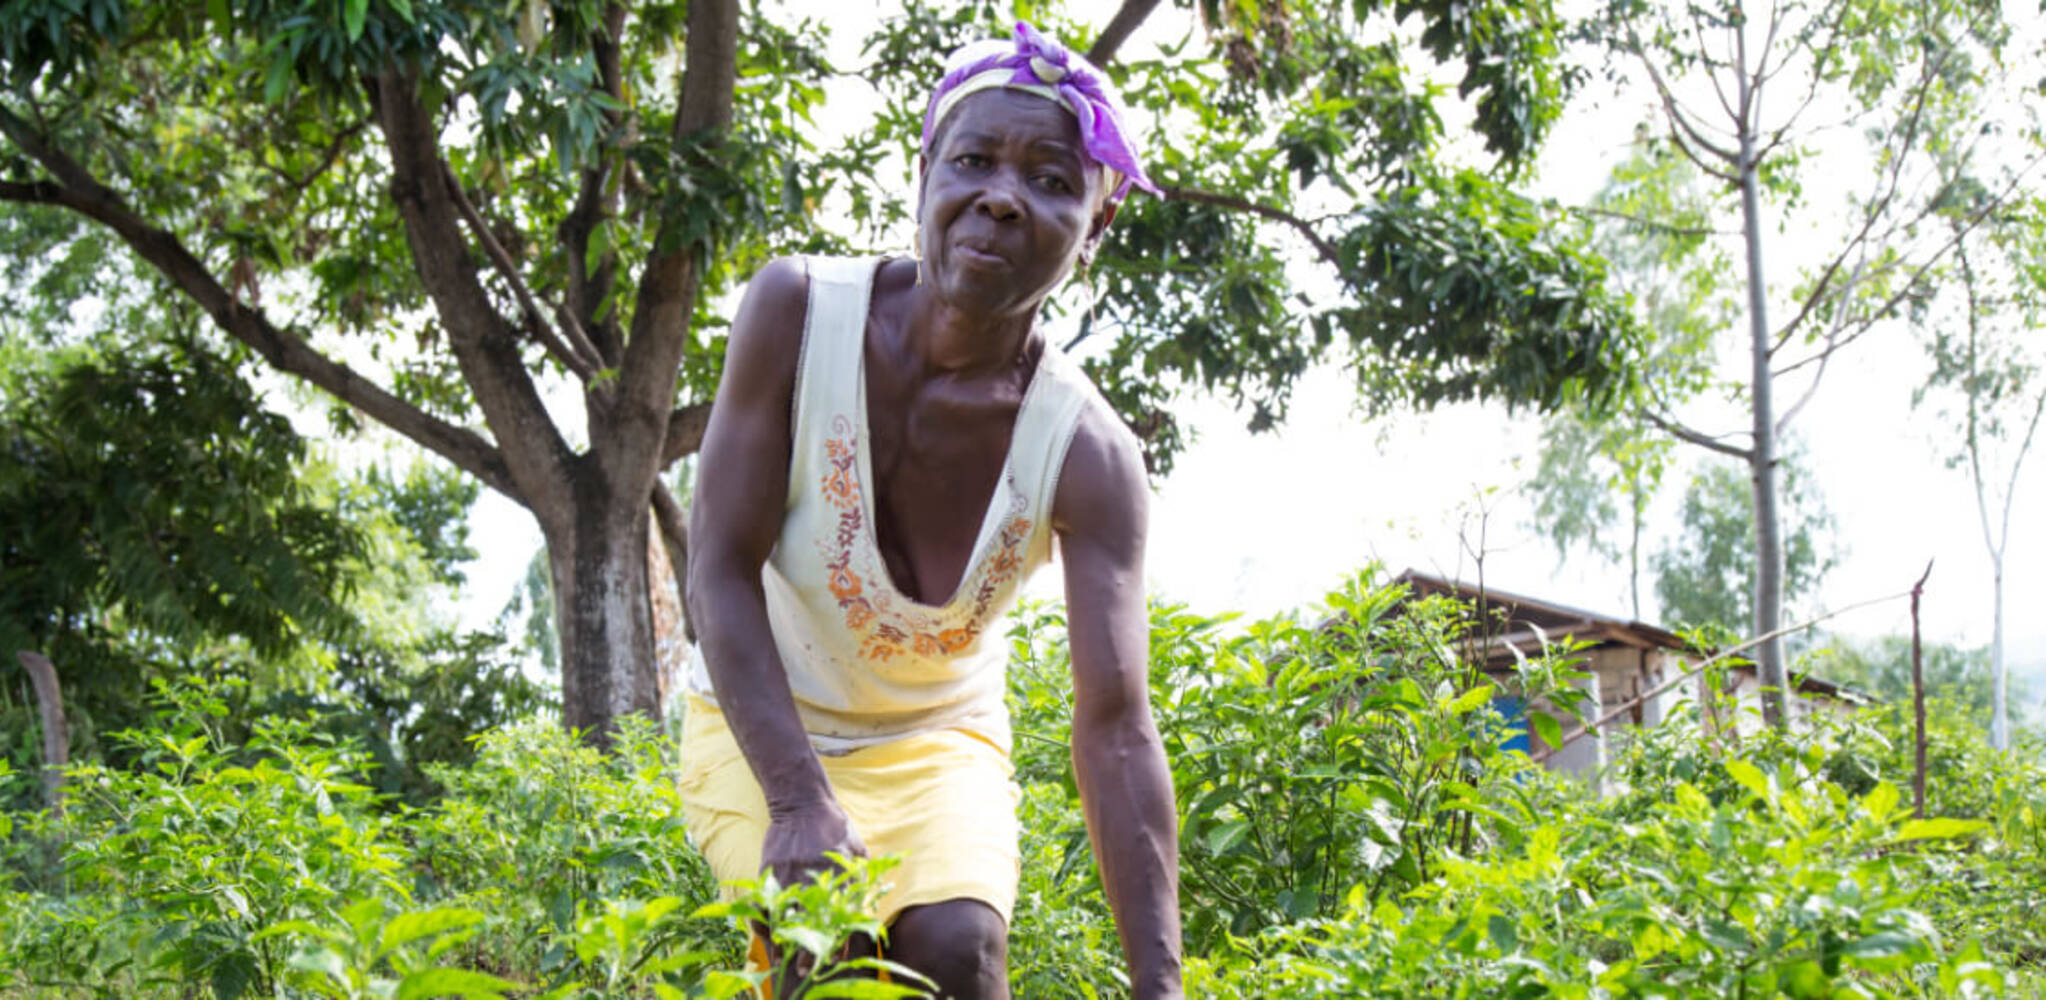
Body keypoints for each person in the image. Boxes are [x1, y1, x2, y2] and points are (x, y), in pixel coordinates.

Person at [679, 21, 1182, 1000]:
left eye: (1049, 177)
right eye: (974, 159)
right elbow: (717, 569)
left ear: (1095, 224)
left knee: (960, 953)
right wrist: (796, 799)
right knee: (825, 952)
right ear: (925, 172)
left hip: (937, 740)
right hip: (764, 723)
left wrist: (1161, 988)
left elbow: (1116, 726)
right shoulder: (795, 312)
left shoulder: (1088, 455)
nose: (1000, 194)